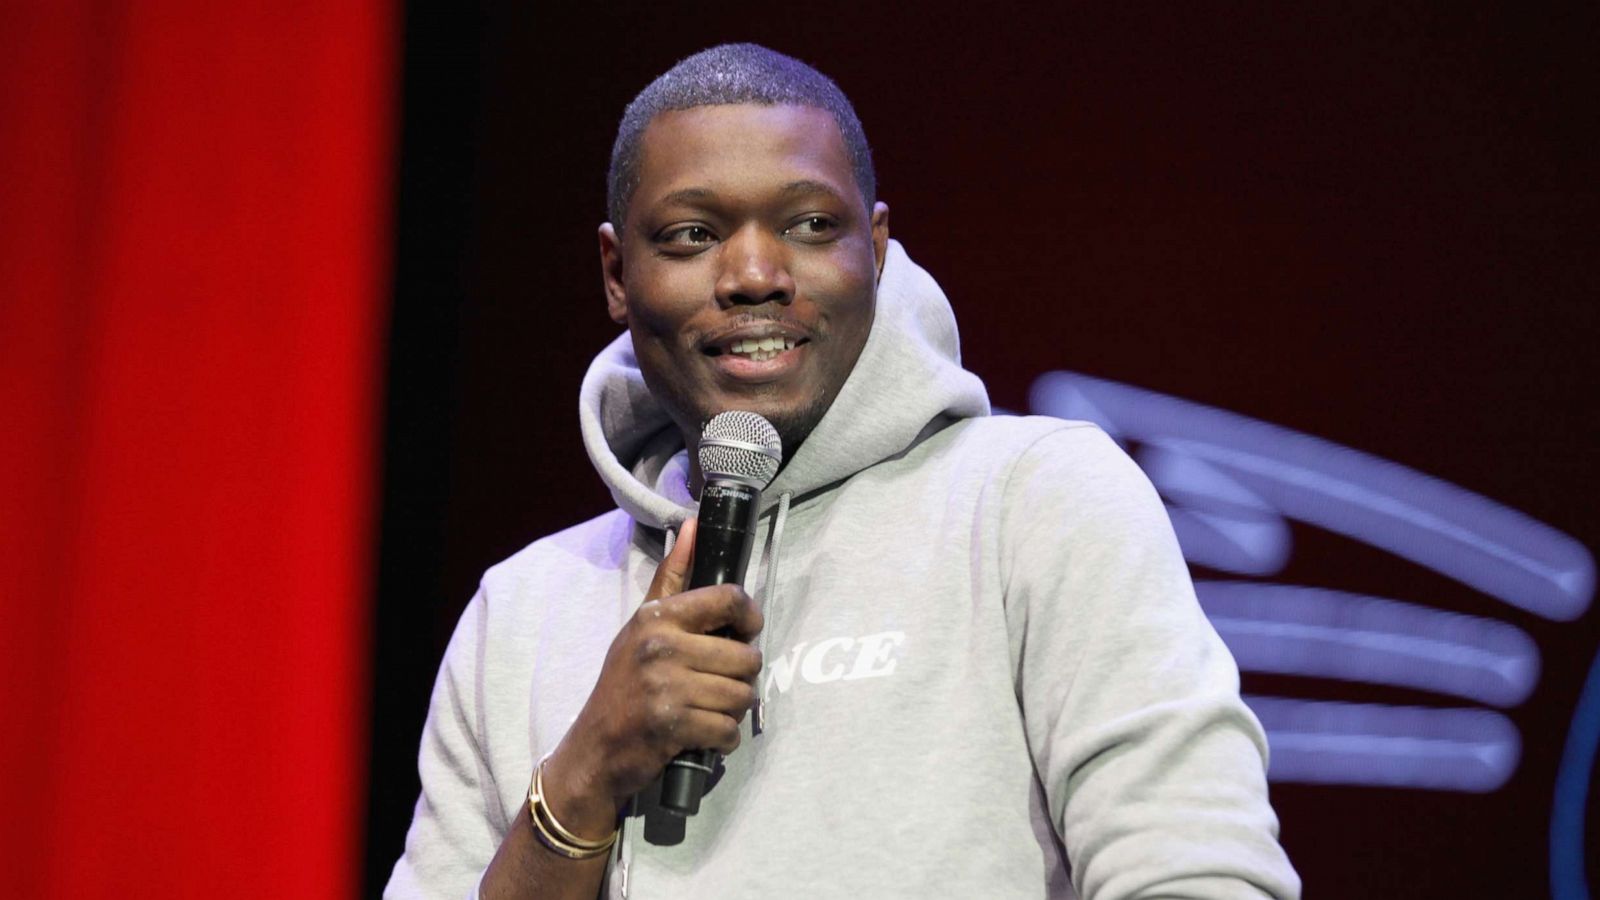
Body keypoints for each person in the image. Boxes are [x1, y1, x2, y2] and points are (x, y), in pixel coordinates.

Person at [386, 43, 1300, 900]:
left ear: (878, 247)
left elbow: (1199, 875)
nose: (754, 273)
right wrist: (584, 775)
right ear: (617, 272)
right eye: (693, 233)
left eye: (811, 224)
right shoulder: (524, 611)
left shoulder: (1037, 503)